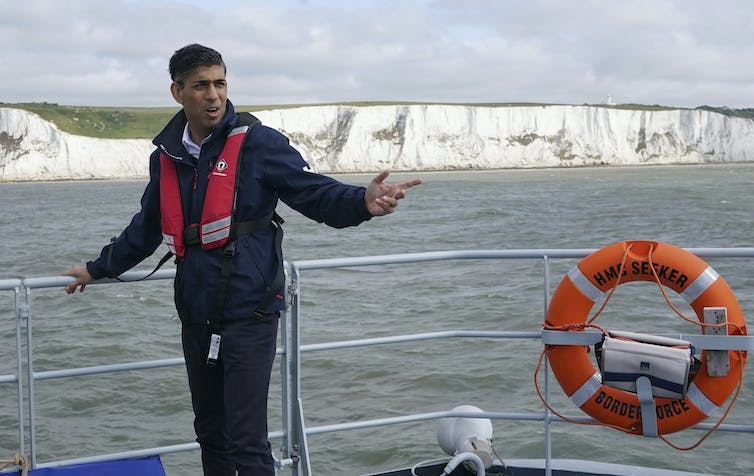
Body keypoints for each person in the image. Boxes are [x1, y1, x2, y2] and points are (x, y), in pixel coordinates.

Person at [63, 43, 422, 476]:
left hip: (250, 312)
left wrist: (362, 201)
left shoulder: (258, 144)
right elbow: (145, 230)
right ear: (178, 92)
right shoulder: (166, 158)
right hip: (196, 313)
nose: (213, 95)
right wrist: (97, 268)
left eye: (220, 83)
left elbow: (316, 194)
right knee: (211, 436)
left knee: (248, 442)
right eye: (201, 86)